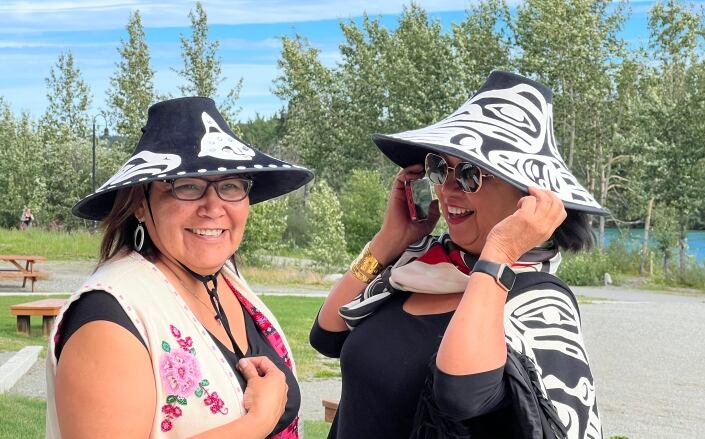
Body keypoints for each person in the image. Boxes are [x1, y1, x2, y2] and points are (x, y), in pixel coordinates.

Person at [310, 71, 605, 439]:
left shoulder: (538, 297)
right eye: (439, 168)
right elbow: (327, 335)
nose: (448, 190)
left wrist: (499, 252)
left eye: (470, 174)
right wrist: (389, 240)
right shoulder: (418, 264)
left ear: (526, 195)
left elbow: (459, 394)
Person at [46, 97, 313, 439]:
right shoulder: (108, 320)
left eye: (230, 185)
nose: (214, 207)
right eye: (187, 186)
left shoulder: (225, 282)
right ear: (140, 205)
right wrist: (257, 422)